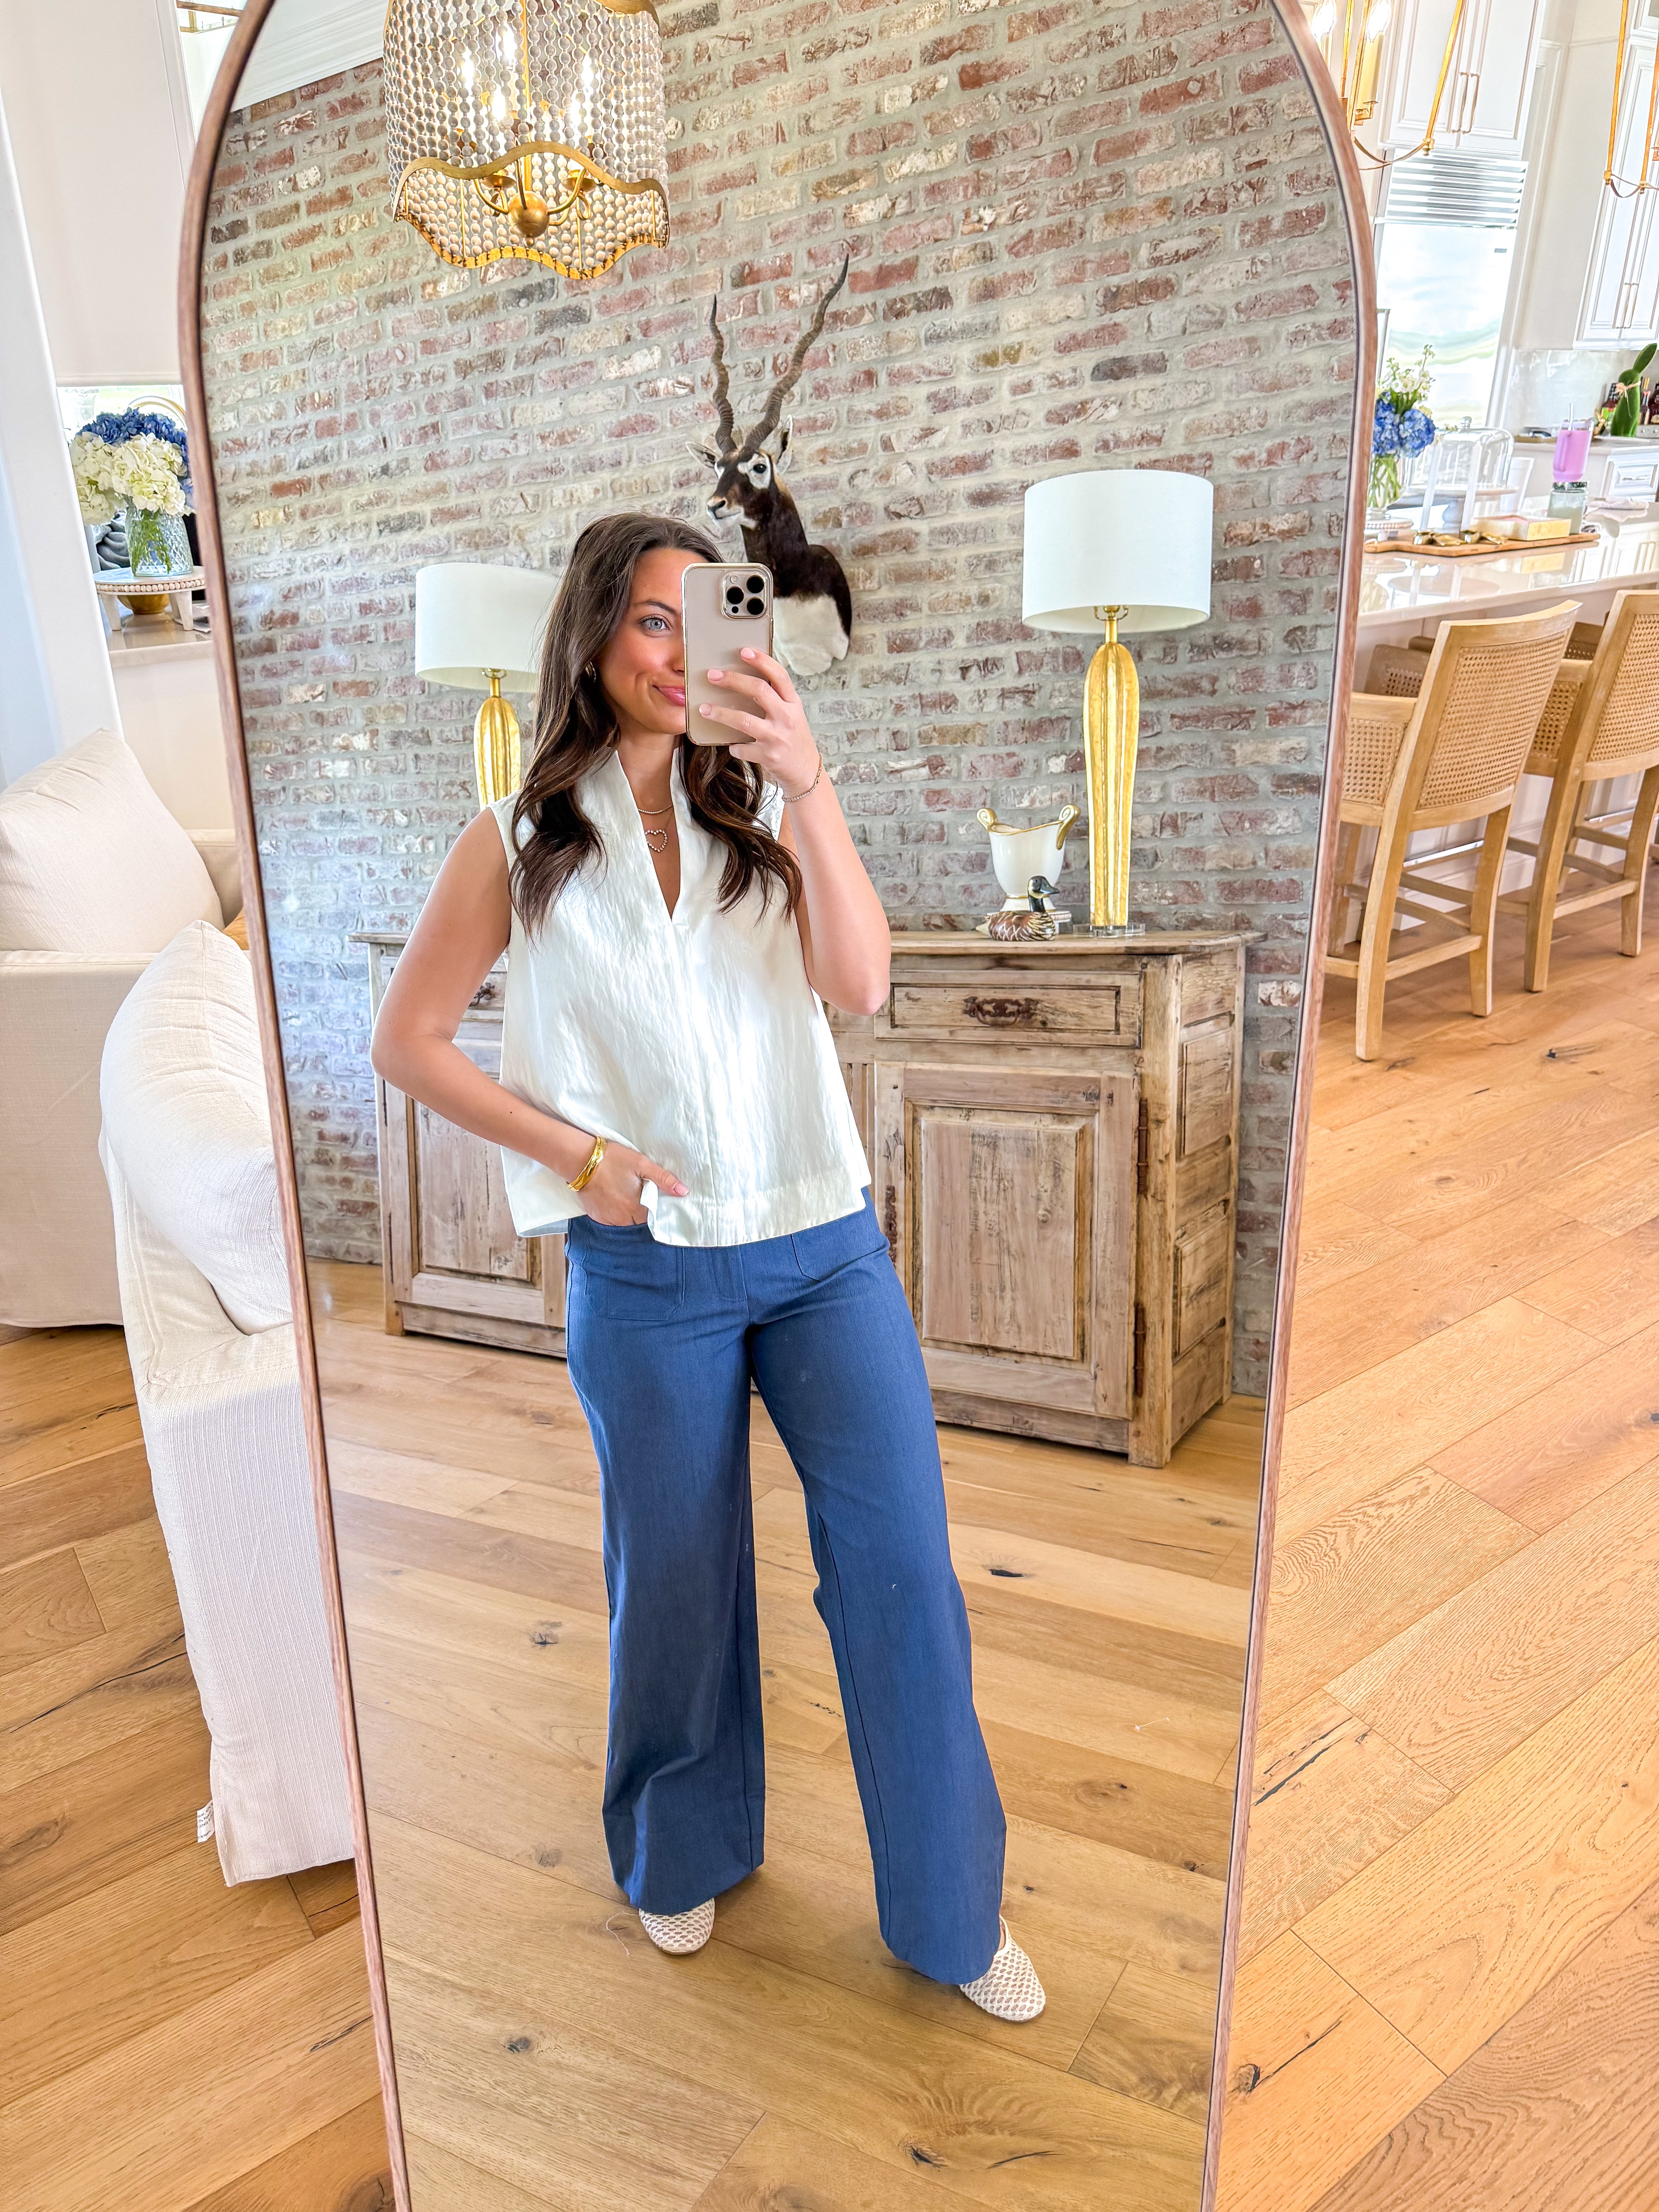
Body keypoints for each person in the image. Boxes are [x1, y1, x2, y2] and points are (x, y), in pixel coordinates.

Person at [370, 512, 1043, 2021]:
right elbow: (406, 1042)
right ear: (596, 640)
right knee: (671, 1581)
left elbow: (860, 982)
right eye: (654, 623)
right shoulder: (516, 839)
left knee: (900, 1577)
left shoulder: (768, 806)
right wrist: (578, 1159)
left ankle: (949, 1915)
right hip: (650, 1267)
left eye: (705, 619)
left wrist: (816, 789)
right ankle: (683, 1844)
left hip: (820, 1250)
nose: (682, 654)